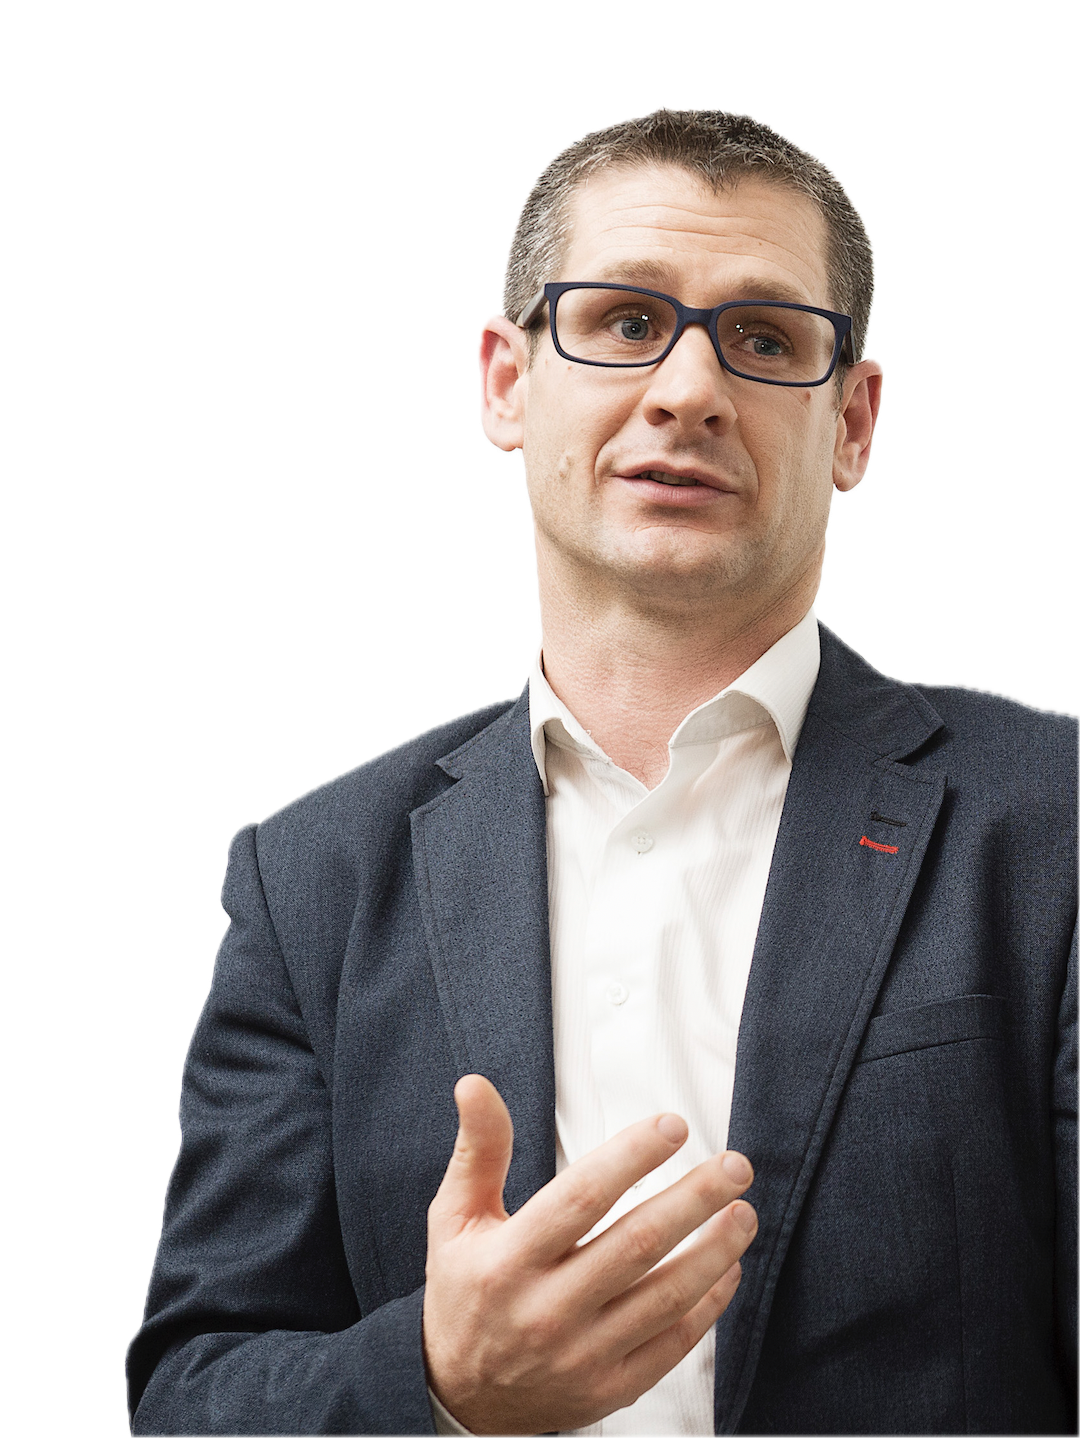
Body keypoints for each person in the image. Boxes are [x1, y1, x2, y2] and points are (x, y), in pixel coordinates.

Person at [125, 106, 1078, 1437]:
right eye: (626, 321)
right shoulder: (310, 876)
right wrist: (441, 1382)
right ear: (506, 383)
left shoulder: (1055, 823)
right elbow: (192, 1394)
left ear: (854, 421)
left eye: (765, 338)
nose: (688, 390)